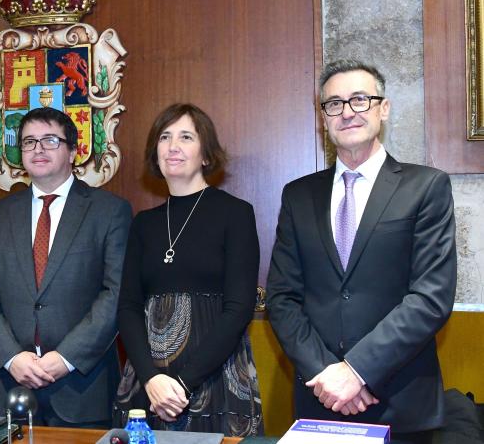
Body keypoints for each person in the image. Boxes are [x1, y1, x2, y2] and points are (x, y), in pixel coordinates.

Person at [266, 60, 457, 444]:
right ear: (323, 118)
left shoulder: (426, 187)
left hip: (400, 403)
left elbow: (430, 297)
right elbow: (282, 297)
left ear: (382, 109)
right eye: (334, 104)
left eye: (359, 99)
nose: (347, 111)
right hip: (319, 400)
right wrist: (327, 374)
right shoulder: (298, 195)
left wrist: (355, 371)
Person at [0, 107, 132, 427]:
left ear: (73, 151)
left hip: (82, 388)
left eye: (50, 140)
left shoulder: (110, 212)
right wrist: (12, 357)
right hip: (9, 386)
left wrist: (66, 358)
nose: (38, 149)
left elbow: (116, 293)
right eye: (29, 142)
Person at [116, 104, 263, 437]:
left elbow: (239, 308)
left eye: (186, 137)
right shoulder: (144, 223)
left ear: (206, 154)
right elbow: (127, 306)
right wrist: (152, 379)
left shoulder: (235, 214)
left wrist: (183, 383)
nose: (173, 146)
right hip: (149, 383)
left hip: (216, 376)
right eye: (165, 137)